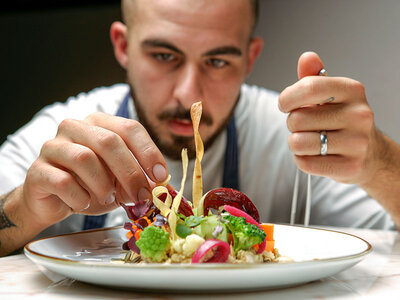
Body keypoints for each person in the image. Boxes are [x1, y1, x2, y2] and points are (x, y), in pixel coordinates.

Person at [0, 0, 399, 257]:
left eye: (219, 61)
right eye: (163, 55)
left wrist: (380, 161)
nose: (189, 93)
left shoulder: (291, 137)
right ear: (123, 46)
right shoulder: (64, 133)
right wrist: (23, 209)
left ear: (250, 57)